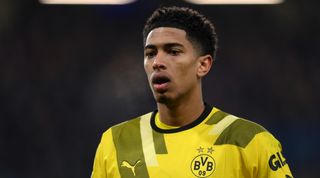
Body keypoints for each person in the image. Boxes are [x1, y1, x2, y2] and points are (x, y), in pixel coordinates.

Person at [91, 6, 293, 178]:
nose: (157, 63)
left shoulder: (250, 141)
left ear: (203, 65)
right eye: (150, 53)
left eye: (173, 51)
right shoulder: (115, 142)